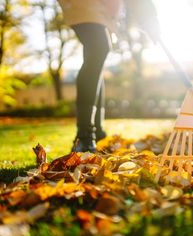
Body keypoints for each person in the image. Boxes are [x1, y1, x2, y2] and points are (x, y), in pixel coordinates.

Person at [57, 0, 160, 152]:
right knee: (99, 47)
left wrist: (150, 19)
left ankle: (97, 133)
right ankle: (85, 134)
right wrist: (150, 18)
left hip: (103, 9)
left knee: (96, 55)